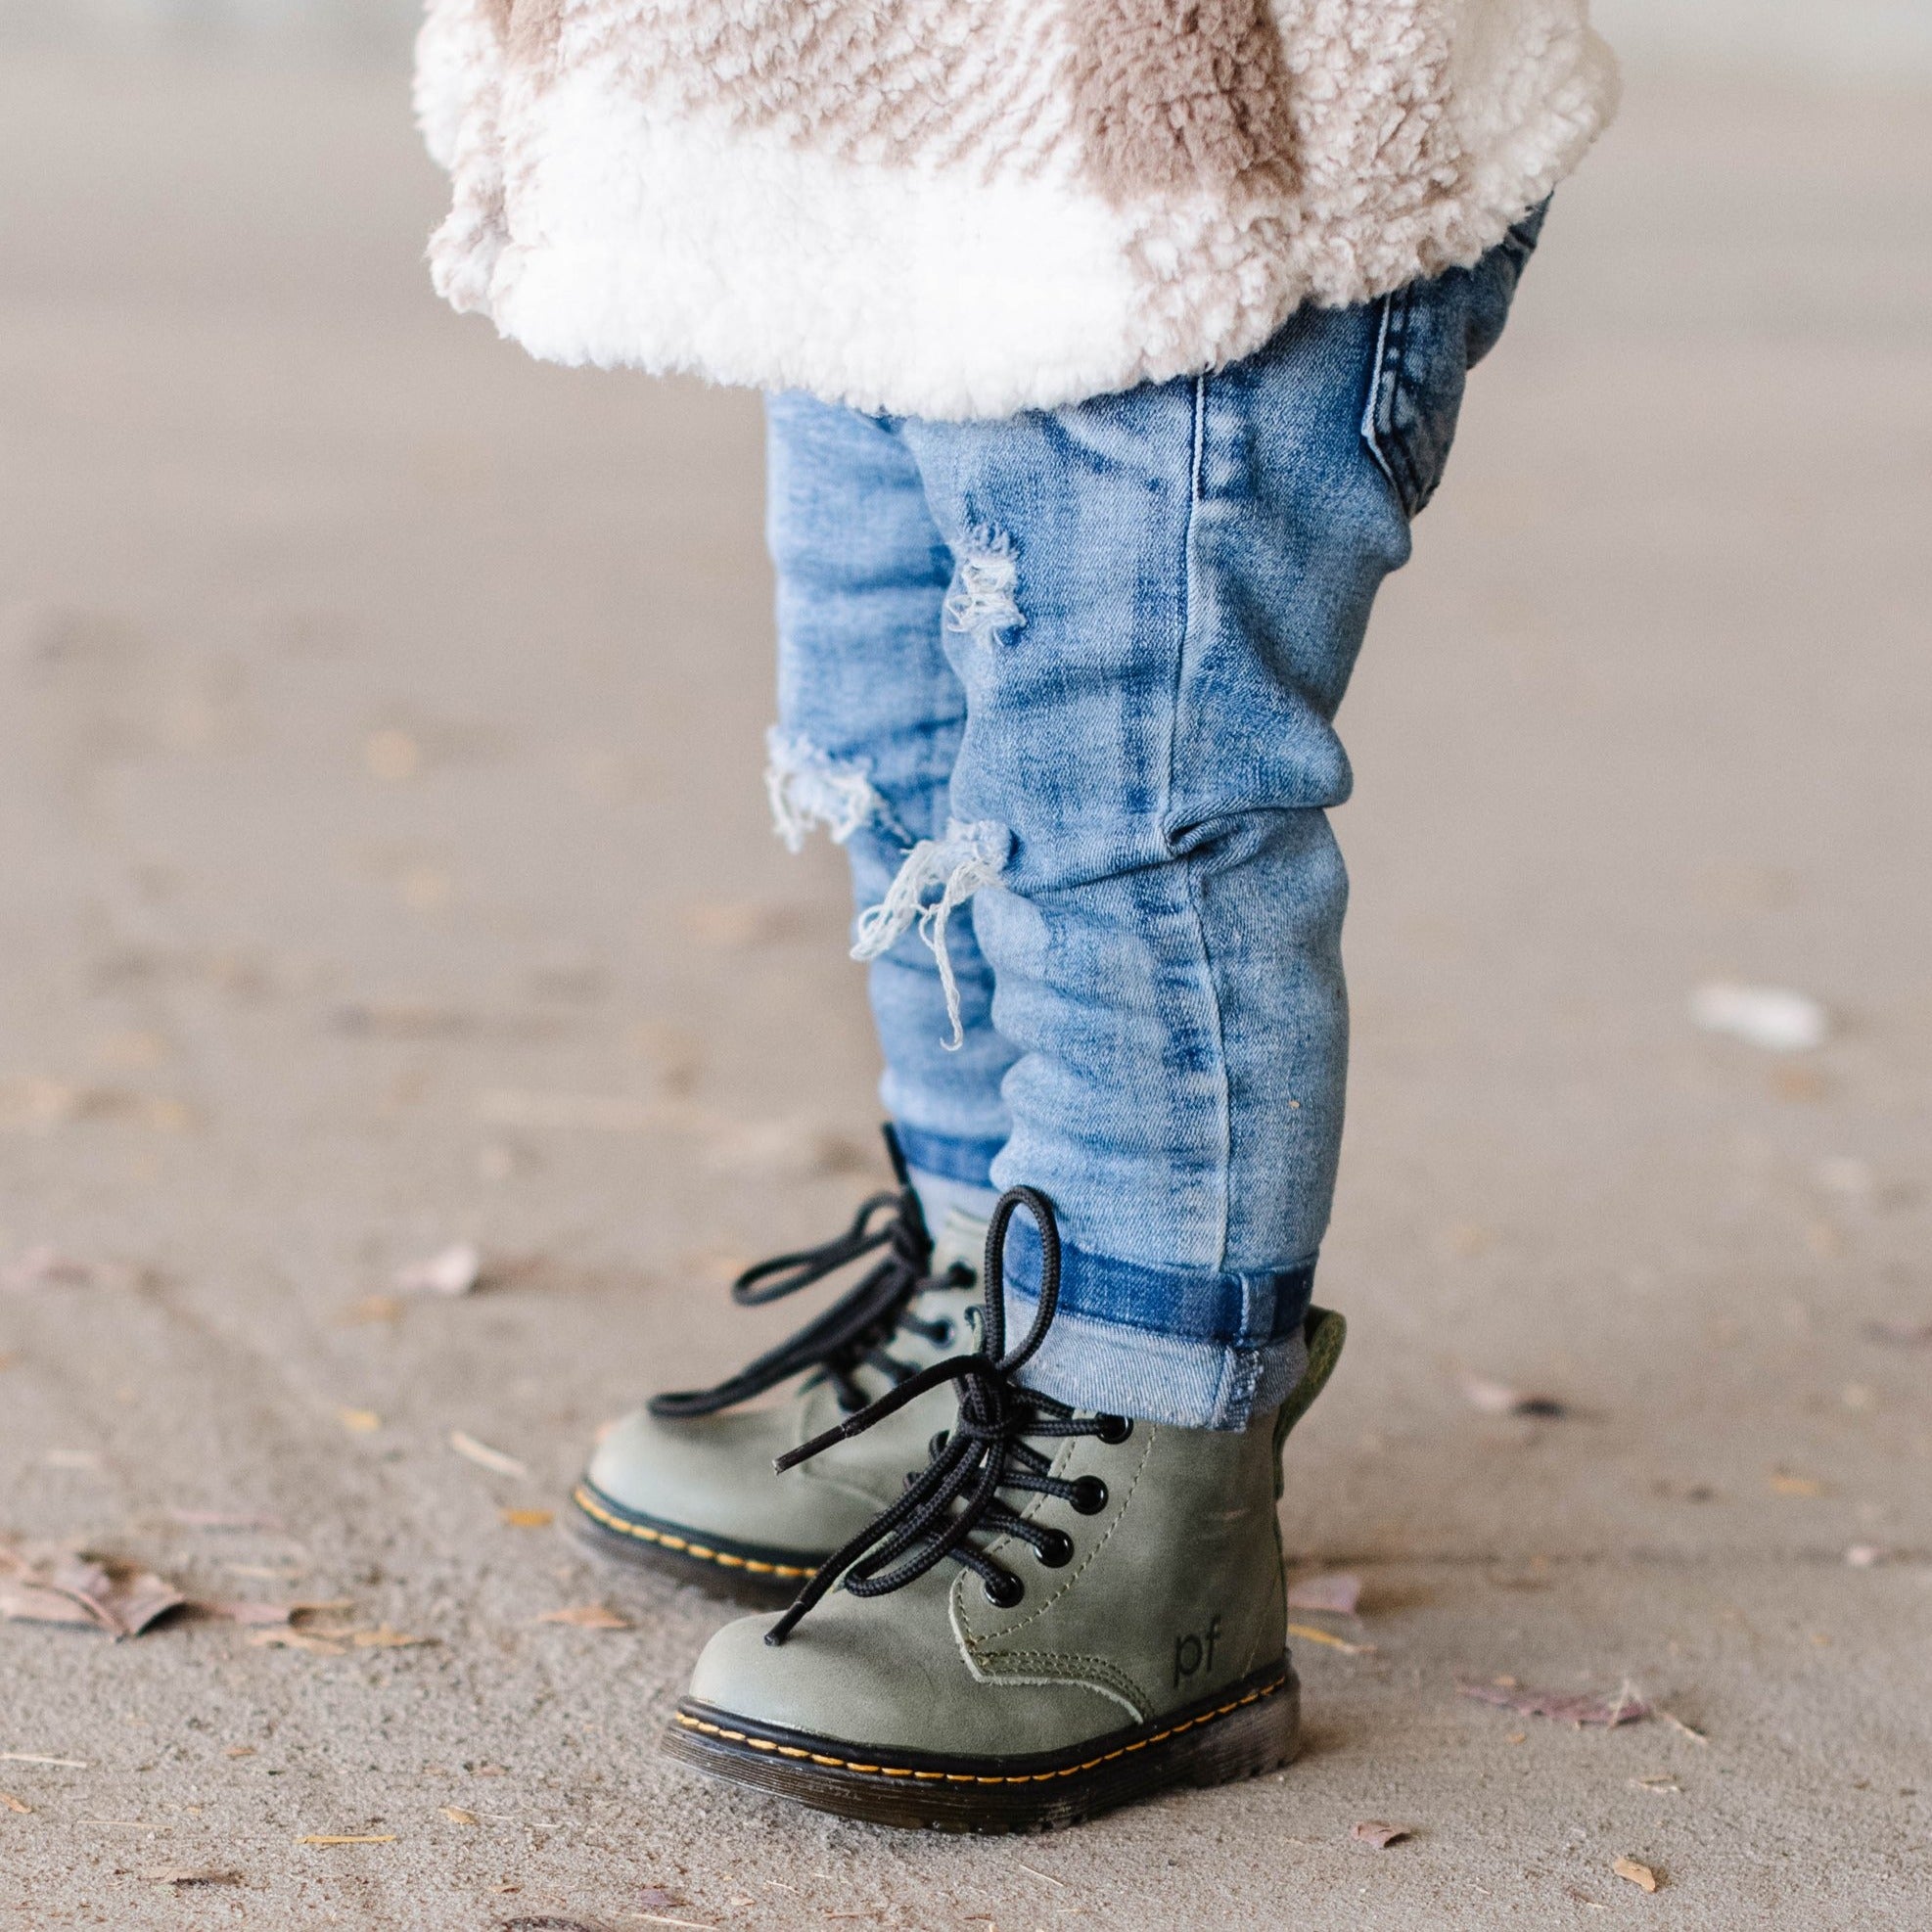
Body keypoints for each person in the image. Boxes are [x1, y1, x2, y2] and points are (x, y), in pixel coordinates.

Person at [415, 0, 1616, 1832]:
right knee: (891, 718)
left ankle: (1150, 1462)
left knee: (1116, 794)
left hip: (1190, 139)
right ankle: (1001, 1300)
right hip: (889, 108)